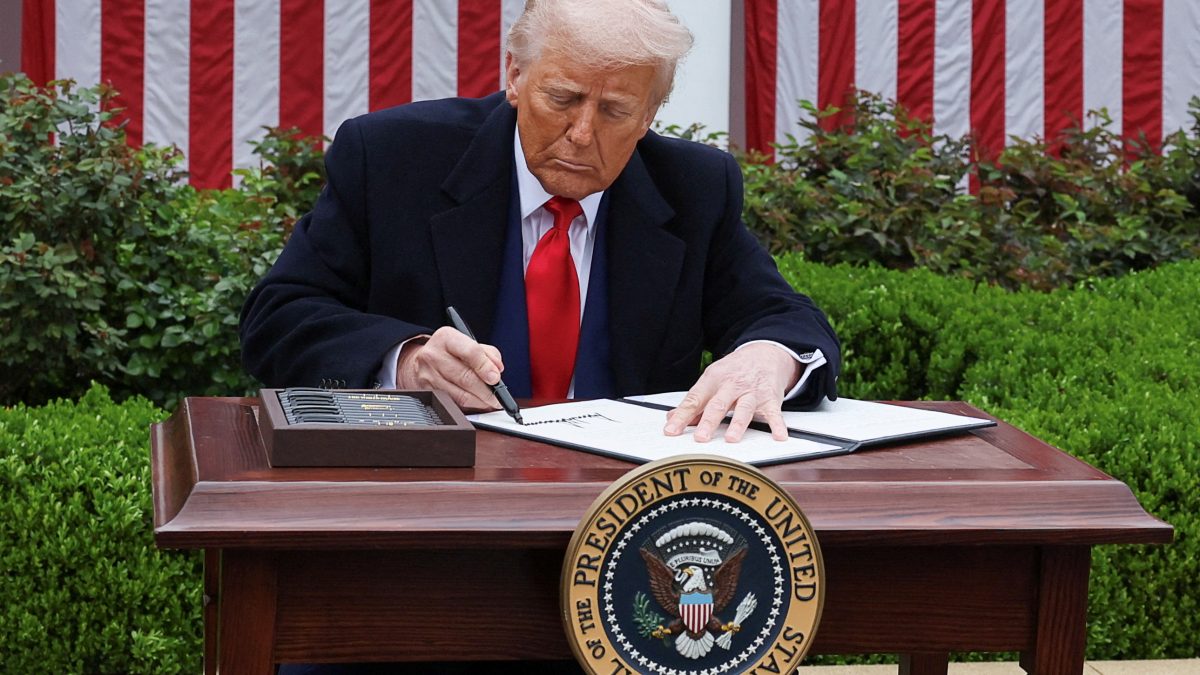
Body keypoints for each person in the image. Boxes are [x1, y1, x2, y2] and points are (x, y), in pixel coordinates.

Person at [240, 0, 839, 445]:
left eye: (614, 111)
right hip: (435, 496)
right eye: (562, 99)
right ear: (514, 77)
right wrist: (406, 359)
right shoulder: (392, 158)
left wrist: (768, 356)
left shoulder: (694, 186)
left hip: (627, 505)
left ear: (651, 113)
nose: (582, 134)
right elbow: (280, 317)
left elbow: (782, 317)